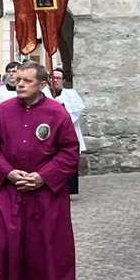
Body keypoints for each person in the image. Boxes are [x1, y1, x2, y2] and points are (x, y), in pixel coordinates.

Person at [0, 63, 80, 280]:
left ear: (42, 84)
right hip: (9, 190)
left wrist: (43, 176)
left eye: (27, 80)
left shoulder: (56, 113)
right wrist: (8, 173)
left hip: (45, 193)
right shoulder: (3, 111)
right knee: (4, 241)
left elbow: (69, 151)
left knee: (45, 244)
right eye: (18, 79)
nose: (20, 84)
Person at [50, 68, 88, 197]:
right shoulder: (44, 94)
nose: (55, 80)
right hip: (51, 134)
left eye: (58, 78)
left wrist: (62, 106)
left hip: (68, 131)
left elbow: (78, 109)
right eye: (52, 78)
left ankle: (70, 189)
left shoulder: (71, 94)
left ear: (63, 81)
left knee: (68, 159)